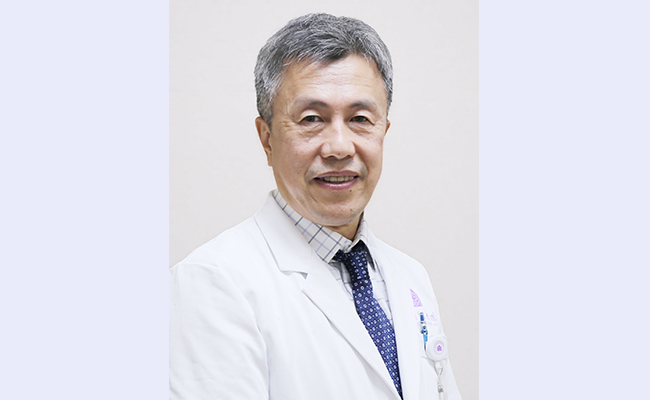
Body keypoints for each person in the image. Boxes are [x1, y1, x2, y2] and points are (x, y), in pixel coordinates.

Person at [170, 13, 462, 400]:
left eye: (360, 119)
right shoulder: (212, 284)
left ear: (383, 132)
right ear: (267, 139)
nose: (339, 147)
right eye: (312, 119)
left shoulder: (410, 276)